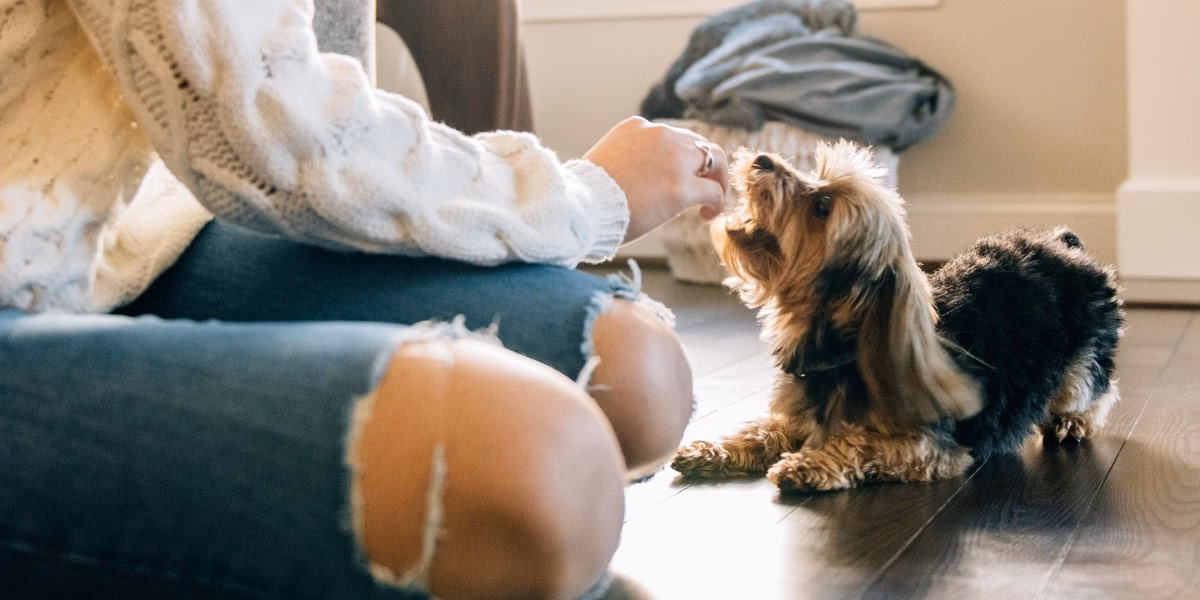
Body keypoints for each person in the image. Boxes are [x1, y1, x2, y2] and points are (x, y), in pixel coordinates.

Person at [0, 1, 729, 599]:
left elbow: (317, 81)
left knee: (635, 374)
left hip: (126, 232)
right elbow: (269, 124)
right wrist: (580, 198)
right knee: (535, 471)